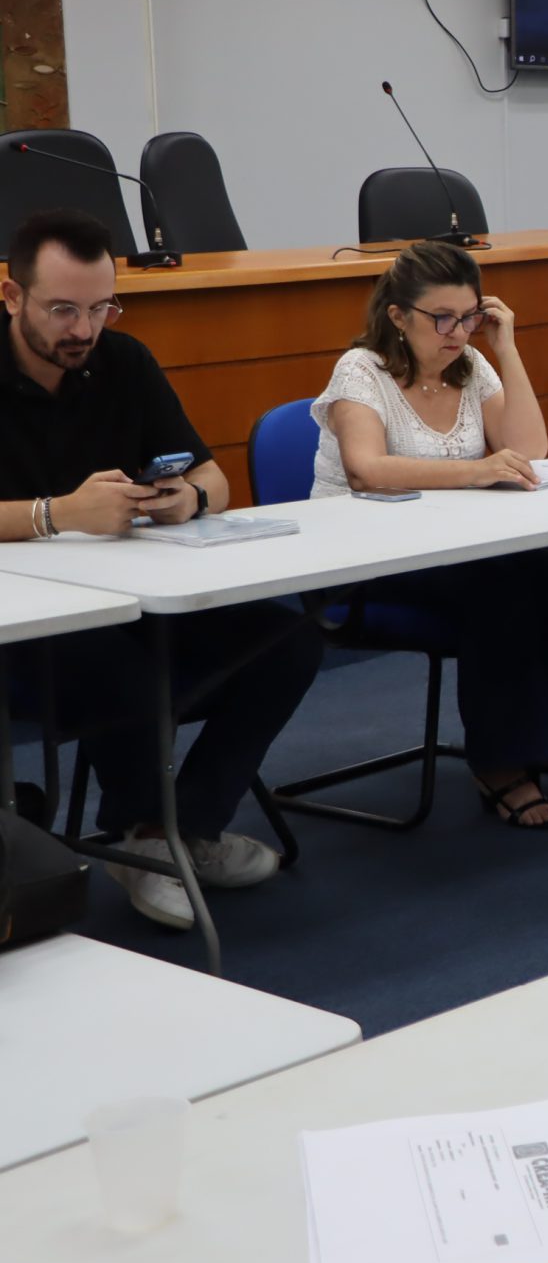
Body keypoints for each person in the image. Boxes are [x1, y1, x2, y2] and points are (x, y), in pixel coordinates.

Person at [0, 209, 322, 928]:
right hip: (25, 622)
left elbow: (213, 476)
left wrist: (188, 498)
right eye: (63, 310)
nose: (84, 329)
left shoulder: (124, 361)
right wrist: (58, 514)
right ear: (12, 296)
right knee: (125, 670)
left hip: (138, 593)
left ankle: (173, 832)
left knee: (289, 642)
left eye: (100, 308)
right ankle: (152, 832)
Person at [310, 240, 548, 828]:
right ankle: (501, 762)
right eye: (442, 318)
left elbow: (530, 449)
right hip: (365, 557)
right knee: (499, 588)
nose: (457, 332)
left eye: (468, 317)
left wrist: (507, 348)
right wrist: (476, 471)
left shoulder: (472, 365)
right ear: (398, 316)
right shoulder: (361, 370)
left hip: (454, 546)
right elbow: (366, 469)